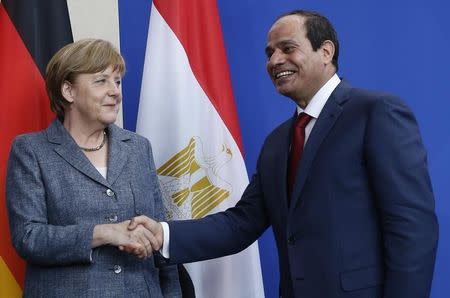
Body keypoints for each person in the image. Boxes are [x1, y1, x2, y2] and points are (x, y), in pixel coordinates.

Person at [128, 10, 439, 298]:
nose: (275, 60)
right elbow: (241, 224)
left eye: (287, 48)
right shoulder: (278, 142)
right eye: (269, 53)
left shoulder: (375, 113)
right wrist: (163, 234)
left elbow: (411, 226)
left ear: (326, 51)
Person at [6, 39, 181, 297]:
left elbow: (160, 236)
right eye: (101, 81)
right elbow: (28, 238)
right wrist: (106, 233)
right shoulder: (31, 150)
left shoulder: (138, 148)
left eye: (118, 81)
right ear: (68, 91)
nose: (115, 91)